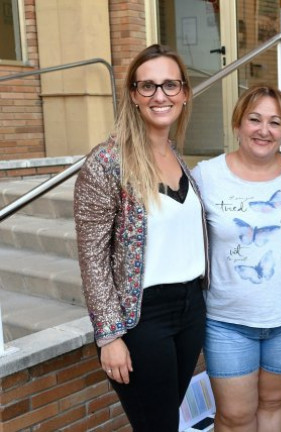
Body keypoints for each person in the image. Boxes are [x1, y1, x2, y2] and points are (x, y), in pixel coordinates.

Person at [74, 44, 207, 431]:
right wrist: (109, 336)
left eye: (169, 85)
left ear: (184, 93)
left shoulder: (177, 155)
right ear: (133, 95)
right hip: (142, 318)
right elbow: (93, 258)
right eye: (147, 86)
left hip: (190, 307)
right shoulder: (105, 163)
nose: (160, 95)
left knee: (167, 420)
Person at [192, 85, 281, 432]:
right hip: (228, 321)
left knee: (274, 405)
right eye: (255, 119)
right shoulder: (206, 175)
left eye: (274, 122)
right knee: (235, 417)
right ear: (238, 124)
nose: (264, 130)